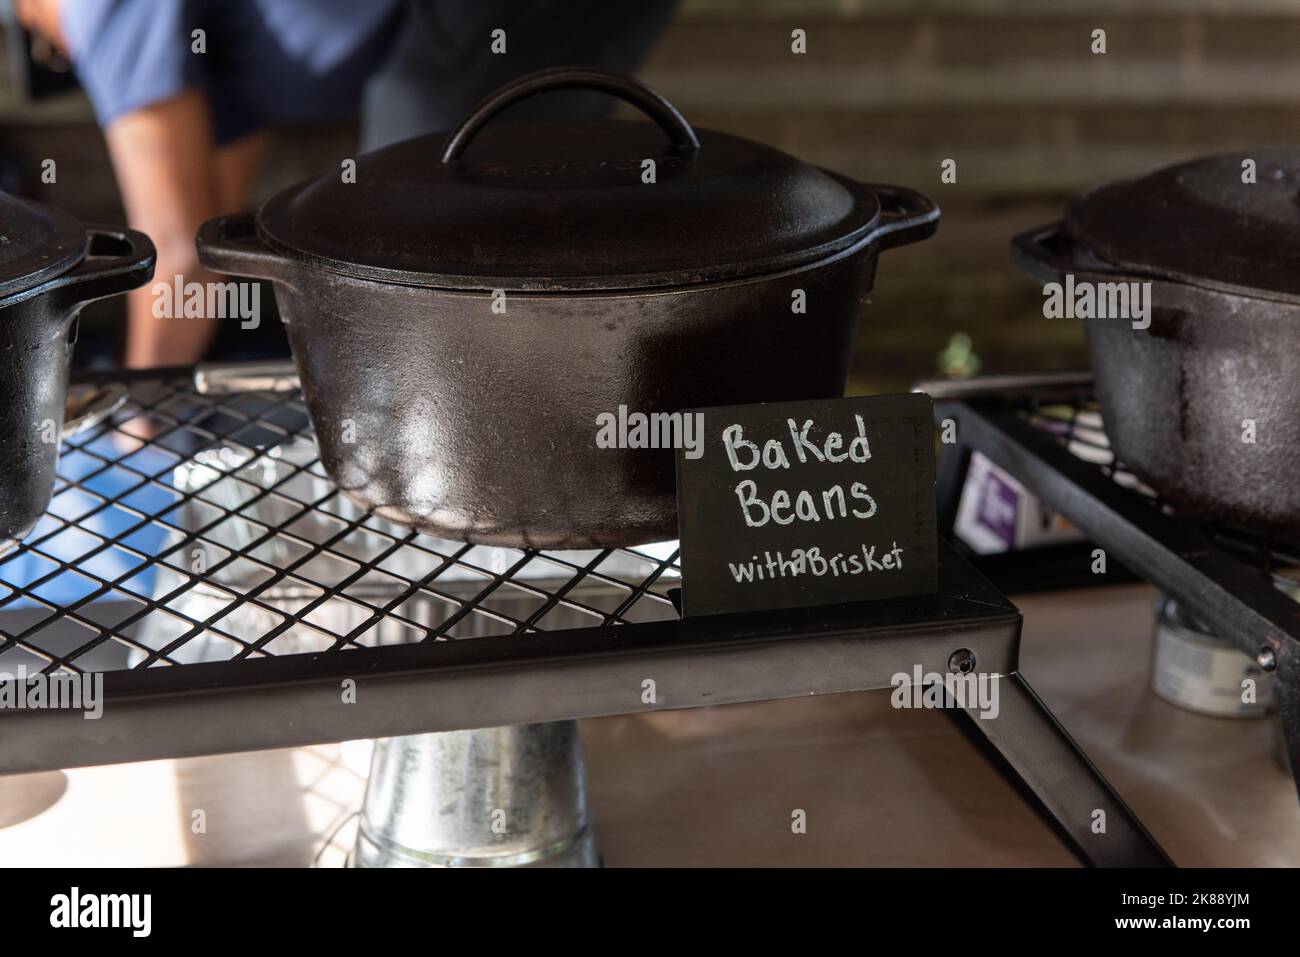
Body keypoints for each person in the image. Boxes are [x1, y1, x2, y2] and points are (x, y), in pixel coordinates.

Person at [15, 0, 677, 368]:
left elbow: (173, 252)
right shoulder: (195, 48)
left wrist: (138, 420)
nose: (71, 62)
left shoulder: (96, 9)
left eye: (47, 51)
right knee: (413, 237)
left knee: (397, 233)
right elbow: (203, 244)